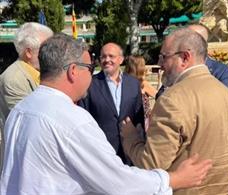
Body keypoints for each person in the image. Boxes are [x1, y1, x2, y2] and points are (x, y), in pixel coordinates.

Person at [0, 33, 212, 195]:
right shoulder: (71, 120)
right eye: (89, 67)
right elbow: (118, 182)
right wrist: (173, 179)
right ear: (73, 71)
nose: (93, 73)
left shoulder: (21, 110)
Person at [121, 28, 228, 195]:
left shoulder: (172, 99)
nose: (159, 64)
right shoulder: (224, 92)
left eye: (164, 57)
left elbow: (151, 164)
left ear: (185, 58)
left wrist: (131, 138)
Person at [78, 43, 144, 165]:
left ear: (121, 59)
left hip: (130, 152)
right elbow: (83, 118)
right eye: (103, 57)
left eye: (111, 56)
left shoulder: (133, 84)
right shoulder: (90, 84)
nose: (107, 60)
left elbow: (139, 118)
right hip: (102, 154)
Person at [155, 24, 228, 100]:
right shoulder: (177, 67)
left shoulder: (221, 70)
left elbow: (221, 98)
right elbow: (160, 95)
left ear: (201, 42)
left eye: (189, 36)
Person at [0, 22, 53, 114]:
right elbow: (29, 118)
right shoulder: (13, 80)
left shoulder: (46, 72)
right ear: (28, 52)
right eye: (46, 49)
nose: (52, 53)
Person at [125, 55, 157, 131]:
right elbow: (160, 97)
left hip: (129, 122)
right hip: (141, 123)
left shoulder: (124, 83)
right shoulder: (142, 84)